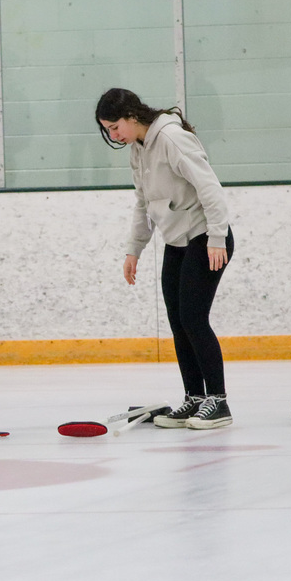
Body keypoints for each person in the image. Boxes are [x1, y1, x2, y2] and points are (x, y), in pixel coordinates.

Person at [95, 88, 235, 429]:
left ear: (131, 115)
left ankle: (218, 401)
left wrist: (216, 237)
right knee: (178, 321)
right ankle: (195, 398)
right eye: (108, 130)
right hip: (177, 243)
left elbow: (209, 187)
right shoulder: (139, 149)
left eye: (115, 127)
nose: (114, 136)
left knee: (193, 317)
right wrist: (134, 250)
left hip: (205, 238)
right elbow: (143, 203)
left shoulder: (172, 138)